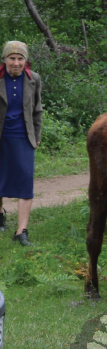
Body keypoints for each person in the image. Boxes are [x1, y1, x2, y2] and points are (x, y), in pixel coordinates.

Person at [0, 41, 42, 246]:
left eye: (20, 58)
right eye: (12, 58)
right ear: (5, 59)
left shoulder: (33, 79)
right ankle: (0, 214)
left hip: (24, 136)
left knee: (25, 180)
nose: (15, 63)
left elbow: (37, 110)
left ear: (25, 61)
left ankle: (21, 231)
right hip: (1, 136)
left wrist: (37, 134)